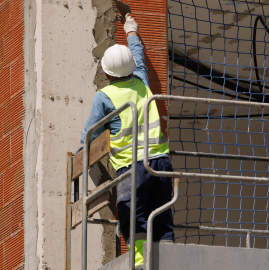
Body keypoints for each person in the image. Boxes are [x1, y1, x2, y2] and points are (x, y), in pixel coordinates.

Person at [80, 14, 174, 268]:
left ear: (107, 73)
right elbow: (138, 56)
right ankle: (168, 261)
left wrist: (81, 154)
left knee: (133, 217)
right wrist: (131, 31)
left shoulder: (105, 96)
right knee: (162, 215)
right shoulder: (142, 82)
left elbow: (90, 134)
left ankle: (142, 263)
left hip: (133, 168)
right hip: (161, 164)